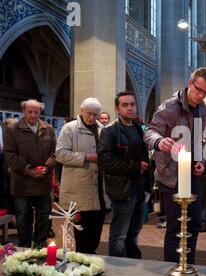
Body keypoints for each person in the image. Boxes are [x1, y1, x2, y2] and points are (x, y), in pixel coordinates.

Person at [144, 67, 206, 264]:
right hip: (172, 176)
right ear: (190, 83)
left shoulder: (202, 109)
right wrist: (160, 141)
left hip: (192, 175)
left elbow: (199, 141)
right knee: (176, 227)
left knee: (194, 225)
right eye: (199, 90)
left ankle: (188, 264)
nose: (201, 96)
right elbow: (150, 132)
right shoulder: (169, 106)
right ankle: (173, 267)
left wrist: (200, 161)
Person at [99, 91, 154, 259]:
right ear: (117, 109)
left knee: (135, 229)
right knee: (120, 232)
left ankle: (132, 260)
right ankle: (117, 264)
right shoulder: (110, 131)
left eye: (132, 104)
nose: (130, 108)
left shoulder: (138, 128)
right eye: (125, 105)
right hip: (122, 188)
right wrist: (135, 167)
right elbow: (106, 160)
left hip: (139, 186)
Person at [56, 97, 106, 254]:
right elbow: (60, 154)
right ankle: (83, 258)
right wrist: (87, 157)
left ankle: (90, 255)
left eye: (95, 114)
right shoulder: (69, 128)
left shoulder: (102, 129)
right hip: (78, 188)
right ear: (81, 111)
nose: (92, 117)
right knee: (81, 229)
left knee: (97, 225)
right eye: (89, 113)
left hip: (98, 187)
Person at [4, 100, 56, 248]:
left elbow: (55, 153)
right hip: (22, 183)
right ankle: (24, 250)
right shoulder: (12, 129)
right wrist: (27, 170)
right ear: (23, 112)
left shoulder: (48, 129)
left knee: (44, 218)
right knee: (23, 220)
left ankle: (40, 248)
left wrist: (46, 167)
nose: (33, 115)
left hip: (43, 183)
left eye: (37, 112)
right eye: (30, 112)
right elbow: (10, 154)